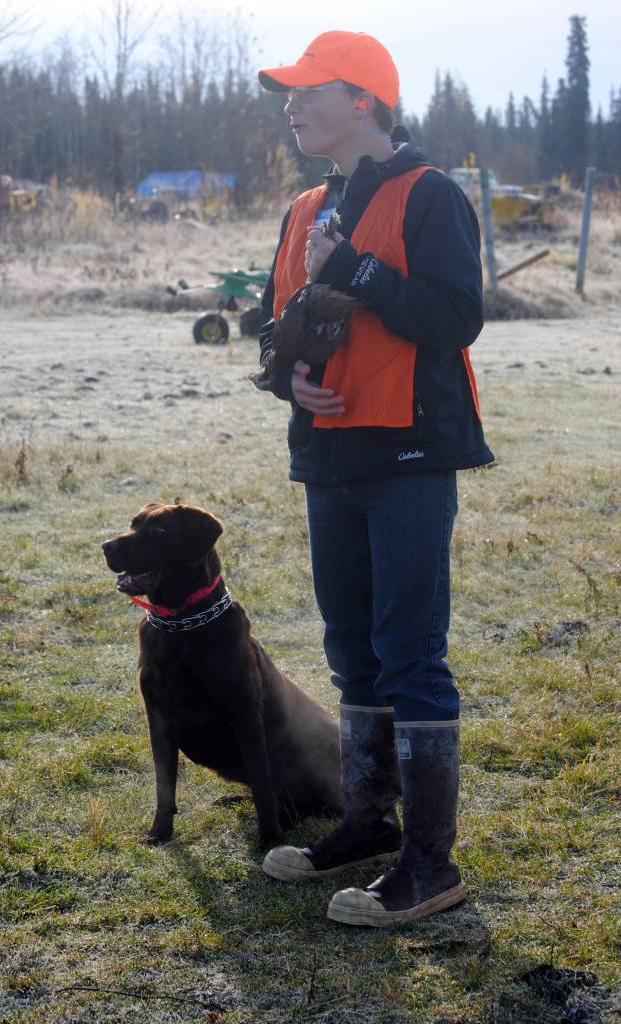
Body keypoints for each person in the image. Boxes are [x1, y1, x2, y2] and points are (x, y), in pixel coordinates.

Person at [254, 31, 495, 927]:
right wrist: (290, 376)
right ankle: (367, 824)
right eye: (287, 91)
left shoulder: (430, 195)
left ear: (364, 99)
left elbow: (456, 316)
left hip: (409, 456)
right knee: (352, 649)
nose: (290, 104)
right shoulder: (302, 205)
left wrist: (353, 268)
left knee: (410, 656)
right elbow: (270, 323)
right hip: (330, 457)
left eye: (307, 89)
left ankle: (430, 866)